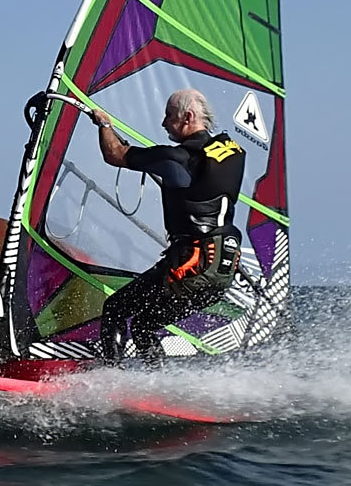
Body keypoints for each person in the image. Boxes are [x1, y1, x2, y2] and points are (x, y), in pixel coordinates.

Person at [90, 89, 245, 365]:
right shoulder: (233, 152)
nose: (163, 123)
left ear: (188, 117)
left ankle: (108, 378)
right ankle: (158, 389)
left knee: (115, 308)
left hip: (193, 266)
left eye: (169, 116)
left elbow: (114, 154)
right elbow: (199, 187)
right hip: (223, 268)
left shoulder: (177, 159)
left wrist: (104, 124)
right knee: (143, 324)